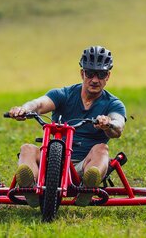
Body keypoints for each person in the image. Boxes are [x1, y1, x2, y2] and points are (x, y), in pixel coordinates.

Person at [7, 45, 126, 207]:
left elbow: (118, 127)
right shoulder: (64, 94)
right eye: (90, 73)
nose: (95, 80)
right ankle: (29, 189)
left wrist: (108, 124)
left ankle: (88, 187)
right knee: (27, 149)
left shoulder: (114, 104)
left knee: (101, 149)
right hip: (53, 162)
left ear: (108, 76)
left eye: (101, 74)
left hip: (83, 165)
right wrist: (24, 109)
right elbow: (39, 104)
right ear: (82, 73)